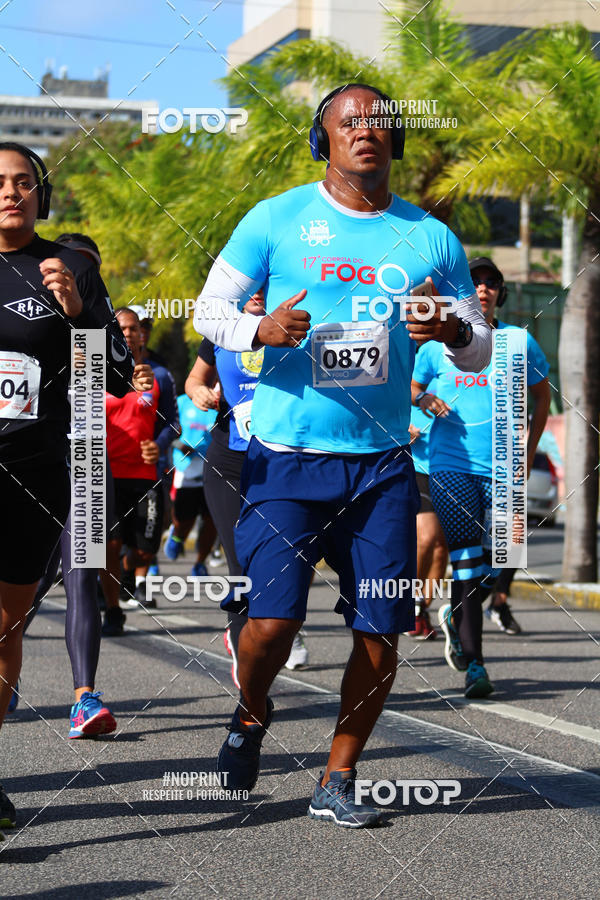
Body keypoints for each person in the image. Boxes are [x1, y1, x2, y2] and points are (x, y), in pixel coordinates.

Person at [193, 83, 491, 827]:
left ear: (395, 138)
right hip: (288, 458)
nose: (367, 130)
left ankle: (338, 775)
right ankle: (250, 714)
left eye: (379, 121)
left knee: (380, 627)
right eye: (348, 121)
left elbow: (478, 342)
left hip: (383, 462)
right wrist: (258, 333)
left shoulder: (432, 237)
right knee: (272, 624)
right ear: (323, 138)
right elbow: (208, 310)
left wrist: (451, 328)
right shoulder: (277, 218)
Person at [0, 142, 133, 830]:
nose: (11, 192)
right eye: (0, 182)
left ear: (41, 196)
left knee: (3, 627)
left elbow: (114, 375)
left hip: (35, 473)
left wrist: (80, 312)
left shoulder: (70, 266)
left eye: (24, 183)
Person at [10, 233, 153, 737]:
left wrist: (80, 314)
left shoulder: (87, 316)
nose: (84, 279)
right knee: (24, 585)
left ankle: (84, 697)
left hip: (87, 460)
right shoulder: (20, 308)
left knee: (81, 575)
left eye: (89, 274)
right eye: (75, 268)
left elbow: (116, 374)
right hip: (27, 457)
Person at [411, 256, 550, 697]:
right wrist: (425, 399)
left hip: (505, 464)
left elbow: (541, 396)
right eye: (476, 282)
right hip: (450, 463)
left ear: (499, 293)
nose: (484, 288)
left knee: (504, 559)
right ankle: (476, 665)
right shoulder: (435, 346)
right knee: (467, 562)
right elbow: (410, 388)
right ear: (463, 293)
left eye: (492, 282)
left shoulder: (517, 341)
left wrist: (528, 452)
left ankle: (455, 614)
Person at [186, 291, 309, 690]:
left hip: (285, 459)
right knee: (240, 561)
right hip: (229, 460)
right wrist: (200, 393)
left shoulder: (299, 322)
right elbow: (194, 379)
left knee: (288, 556)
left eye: (263, 279)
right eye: (247, 281)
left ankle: (284, 623)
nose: (255, 289)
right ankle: (241, 643)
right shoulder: (222, 328)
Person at [101, 308, 179, 633]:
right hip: (108, 474)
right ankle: (112, 610)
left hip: (146, 475)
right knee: (112, 544)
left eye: (134, 328)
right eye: (122, 329)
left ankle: (126, 572)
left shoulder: (158, 375)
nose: (130, 334)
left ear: (141, 334)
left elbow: (172, 421)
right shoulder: (99, 370)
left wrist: (159, 445)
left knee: (145, 550)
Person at [404, 381, 448, 640]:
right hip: (419, 464)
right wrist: (398, 429)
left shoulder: (474, 357)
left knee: (442, 547)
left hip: (452, 466)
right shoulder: (420, 355)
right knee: (427, 537)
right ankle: (408, 602)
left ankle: (421, 608)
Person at [165, 391, 218, 577]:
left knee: (211, 520)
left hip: (212, 469)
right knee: (184, 520)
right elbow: (167, 431)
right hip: (185, 469)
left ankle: (199, 563)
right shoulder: (181, 402)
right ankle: (177, 535)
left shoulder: (218, 402)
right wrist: (181, 445)